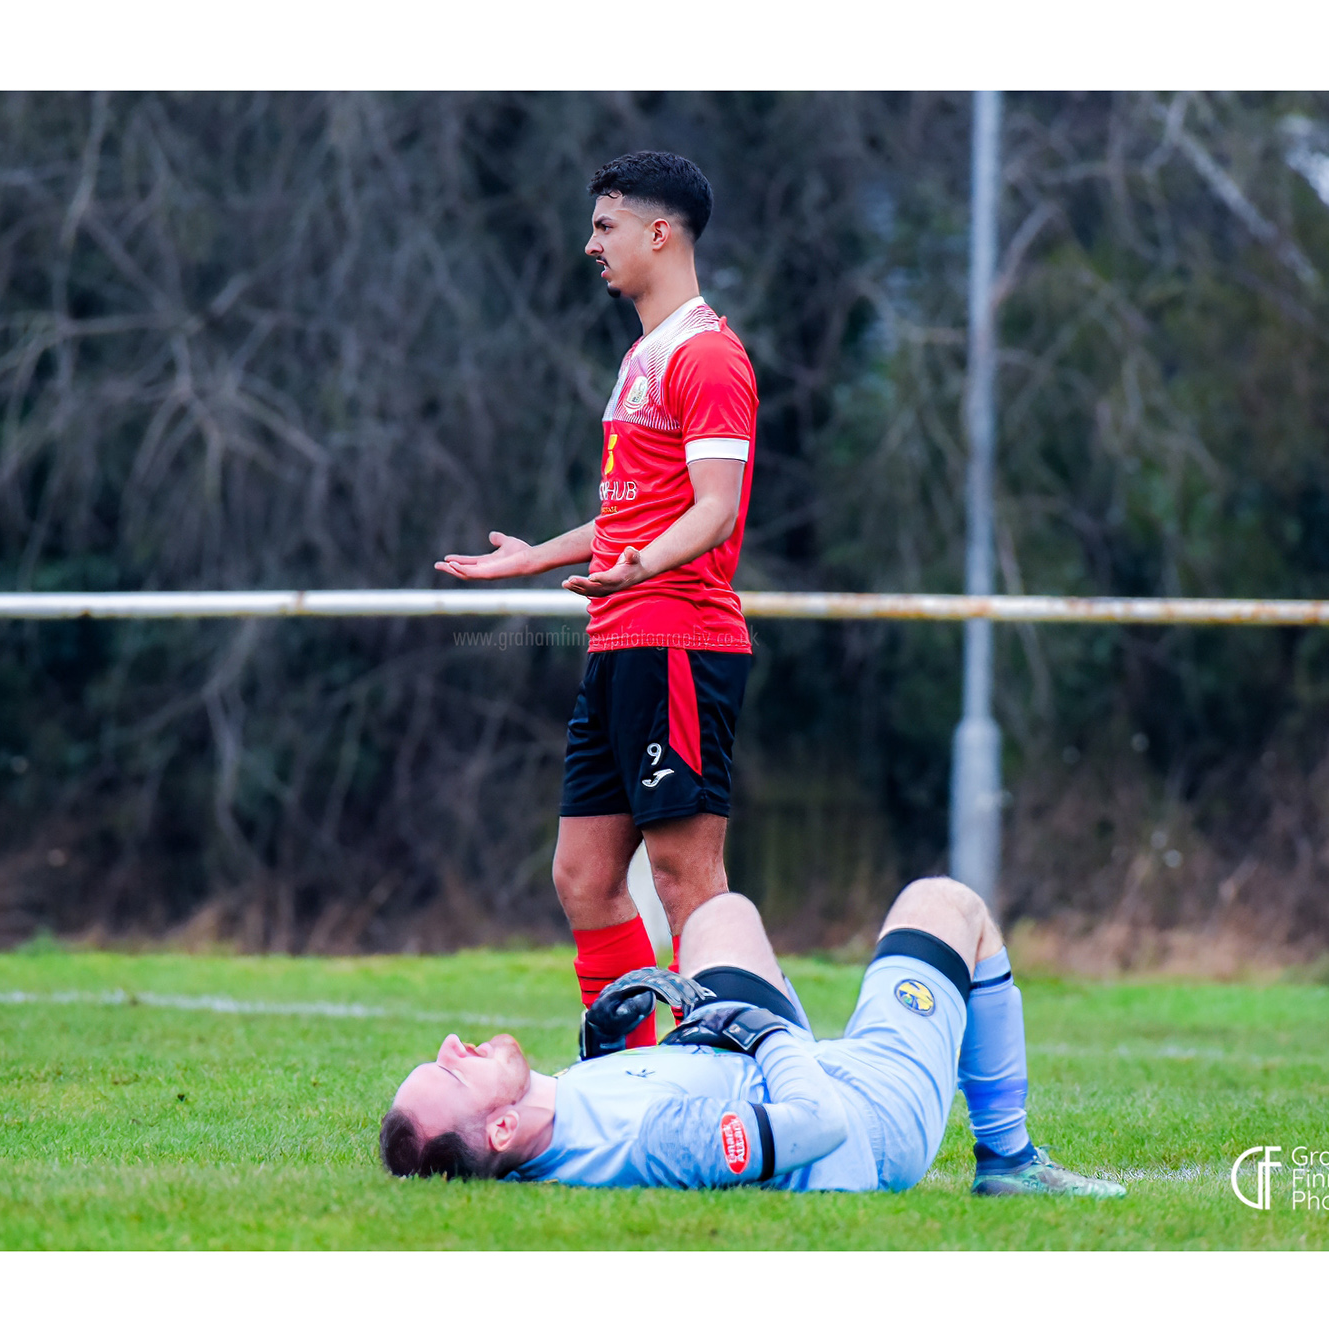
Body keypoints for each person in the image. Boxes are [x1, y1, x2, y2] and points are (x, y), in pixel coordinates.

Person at [436, 151, 759, 1047]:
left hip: (680, 643)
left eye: (606, 226)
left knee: (687, 879)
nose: (591, 245)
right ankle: (632, 1076)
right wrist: (533, 558)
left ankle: (735, 1073)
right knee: (583, 875)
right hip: (619, 643)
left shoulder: (709, 355)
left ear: (661, 233)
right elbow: (629, 510)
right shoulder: (643, 359)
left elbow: (717, 509)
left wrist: (642, 563)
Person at [379, 877, 1126, 1197]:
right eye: (450, 1074)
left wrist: (603, 1051)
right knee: (946, 904)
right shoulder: (659, 1142)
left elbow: (616, 1108)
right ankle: (1010, 1159)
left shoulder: (542, 1130)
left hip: (745, 1061)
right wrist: (765, 1033)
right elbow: (817, 1124)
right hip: (861, 1110)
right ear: (502, 1126)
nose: (451, 1044)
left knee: (716, 915)